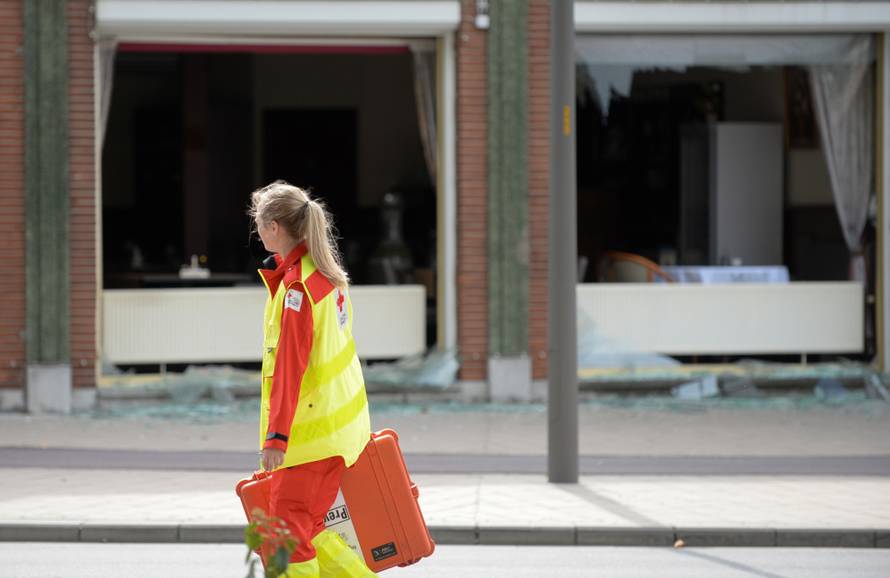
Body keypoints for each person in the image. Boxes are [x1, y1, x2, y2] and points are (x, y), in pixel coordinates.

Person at [249, 180, 376, 578]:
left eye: (258, 222)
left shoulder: (297, 289)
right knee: (312, 529)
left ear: (273, 227)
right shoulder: (324, 277)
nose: (256, 229)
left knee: (285, 538)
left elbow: (290, 368)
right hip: (337, 432)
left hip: (309, 438)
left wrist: (276, 439)